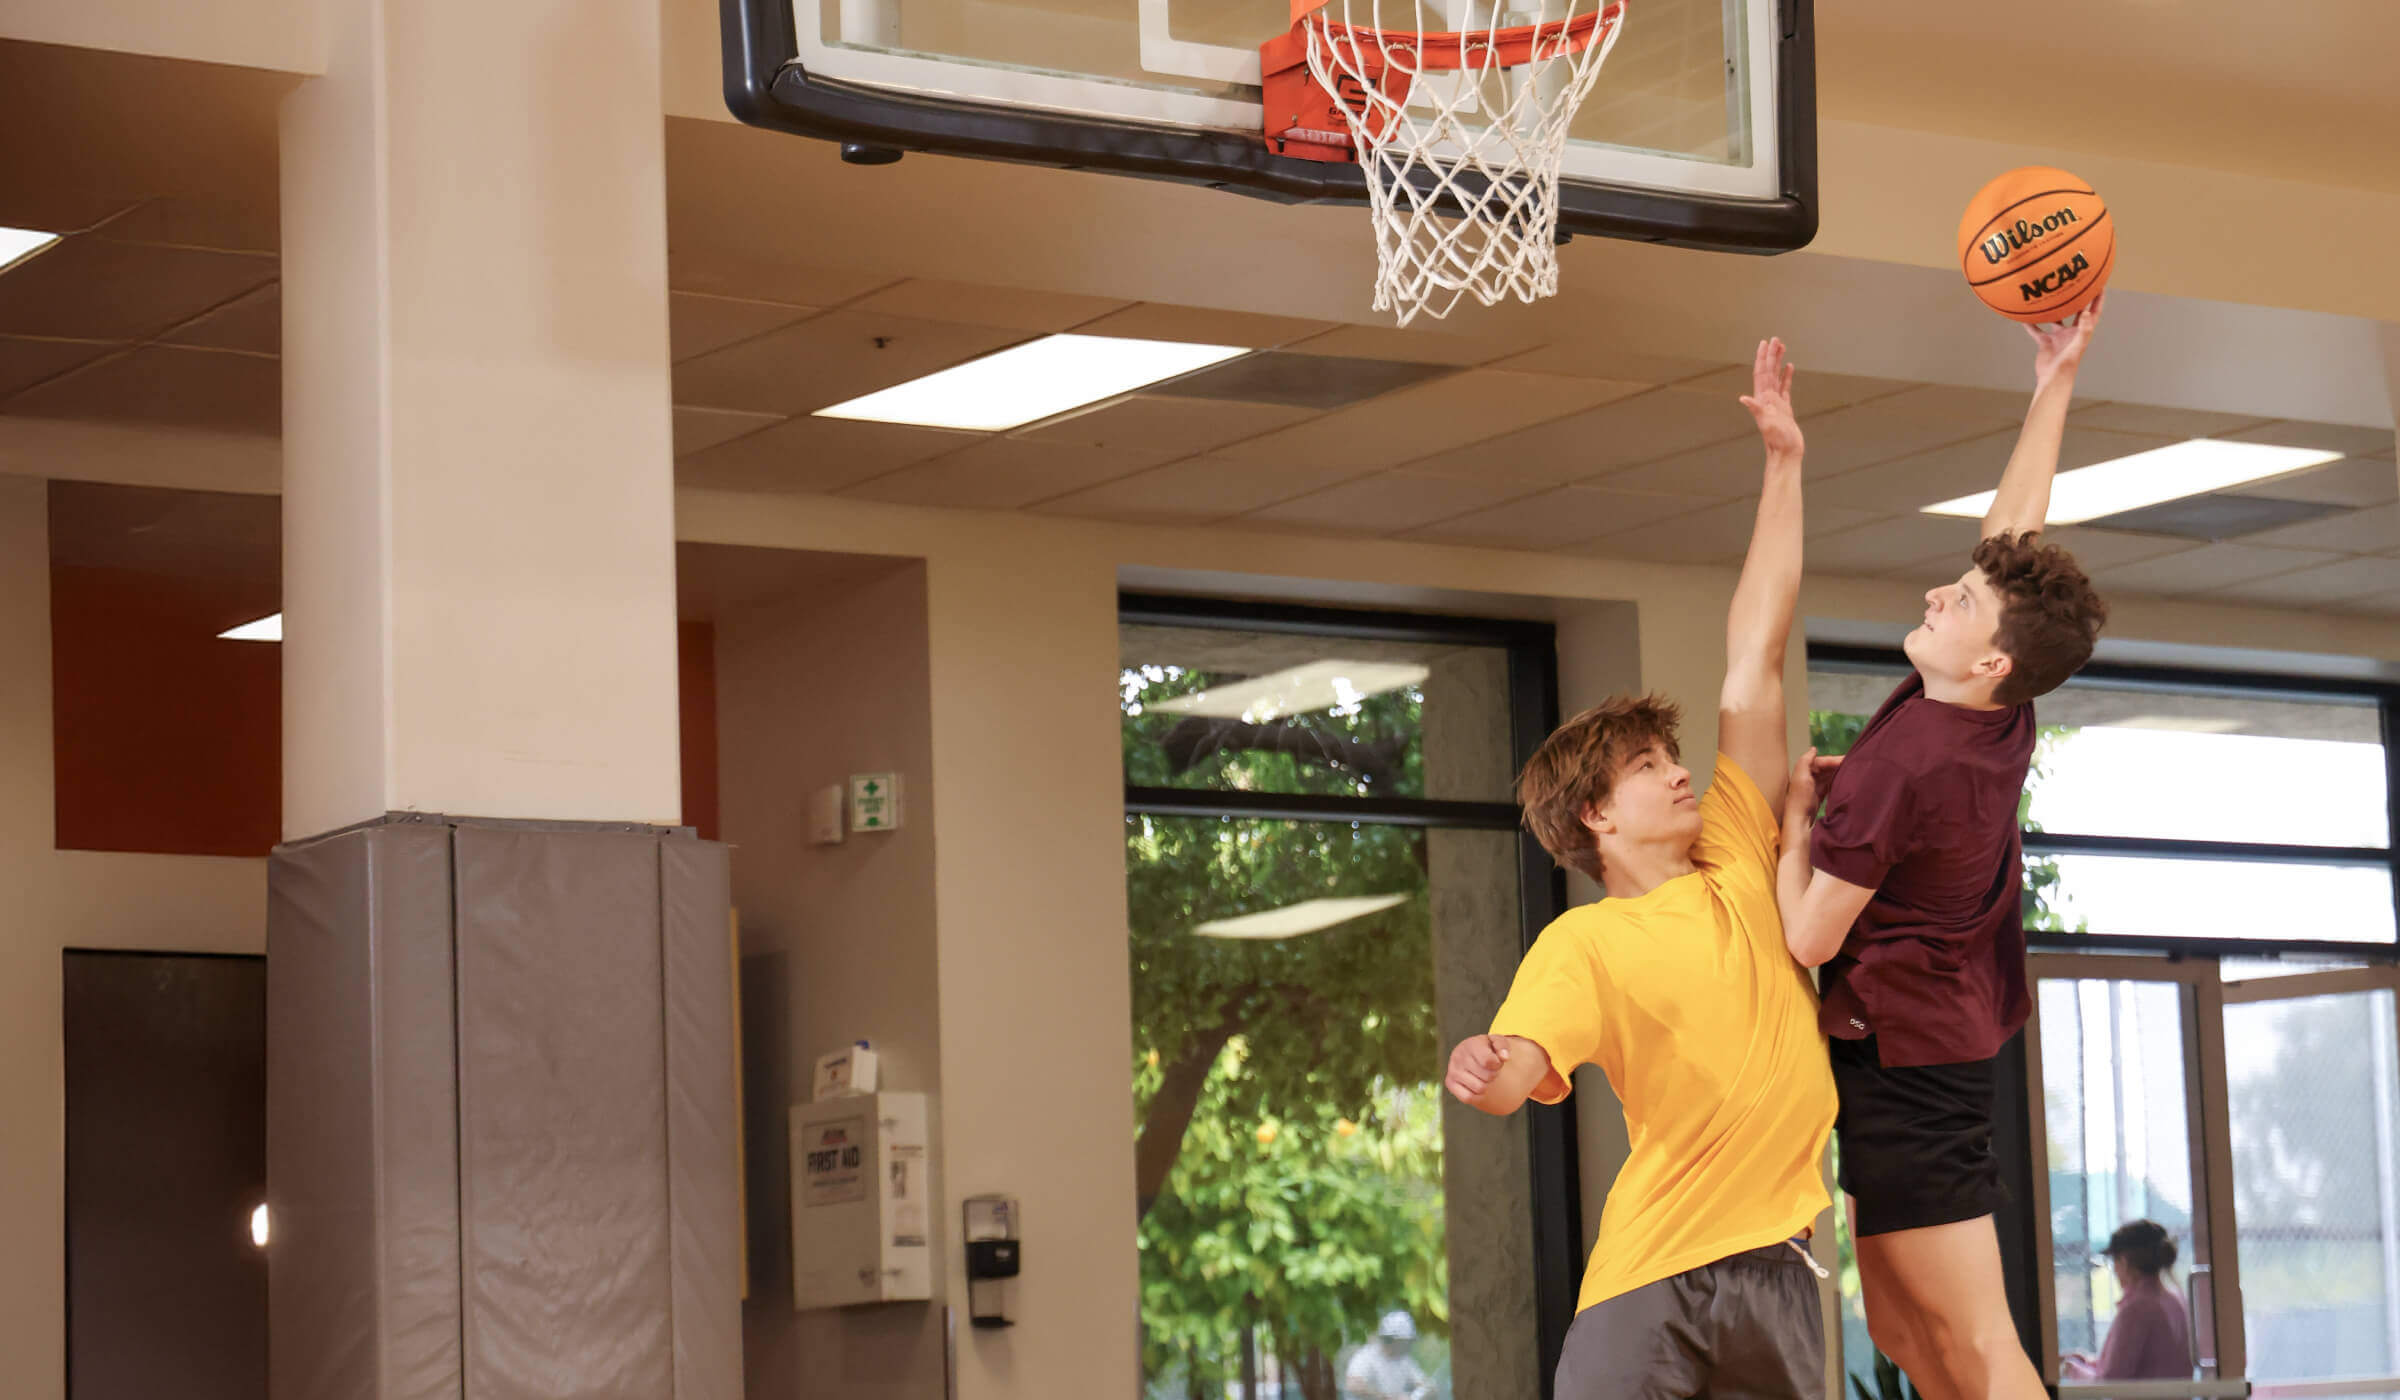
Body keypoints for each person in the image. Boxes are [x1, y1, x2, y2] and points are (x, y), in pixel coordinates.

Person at [1443, 338, 1837, 1398]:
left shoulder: (1741, 851)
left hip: (1782, 1267)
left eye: (1672, 758)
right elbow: (1523, 1067)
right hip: (1650, 1276)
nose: (1676, 775)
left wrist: (1786, 463)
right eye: (1646, 768)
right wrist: (1483, 1067)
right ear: (1594, 816)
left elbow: (1755, 650)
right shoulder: (1586, 942)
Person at [1775, 296, 2114, 1400]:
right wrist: (2052, 378)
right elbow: (2012, 540)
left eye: (1958, 600)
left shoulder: (1908, 761)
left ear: (1991, 660)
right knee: (1907, 1334)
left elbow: (1805, 929)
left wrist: (1794, 826)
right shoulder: (1993, 711)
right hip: (1926, 1047)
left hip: (1914, 1062)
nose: (1939, 589)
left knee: (1970, 1340)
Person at [2062, 1221, 2193, 1382]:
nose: (2114, 1270)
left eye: (2114, 1262)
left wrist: (2071, 1369)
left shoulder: (2137, 1309)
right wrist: (2087, 1363)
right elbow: (2135, 1365)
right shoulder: (2173, 1299)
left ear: (2123, 1262)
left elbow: (2110, 1382)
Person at [1342, 1311, 1434, 1400]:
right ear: (1395, 1340)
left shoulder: (1404, 1361)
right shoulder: (1366, 1357)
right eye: (1406, 1341)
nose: (1409, 1345)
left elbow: (1427, 1386)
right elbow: (1353, 1385)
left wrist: (1413, 1397)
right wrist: (1384, 1397)